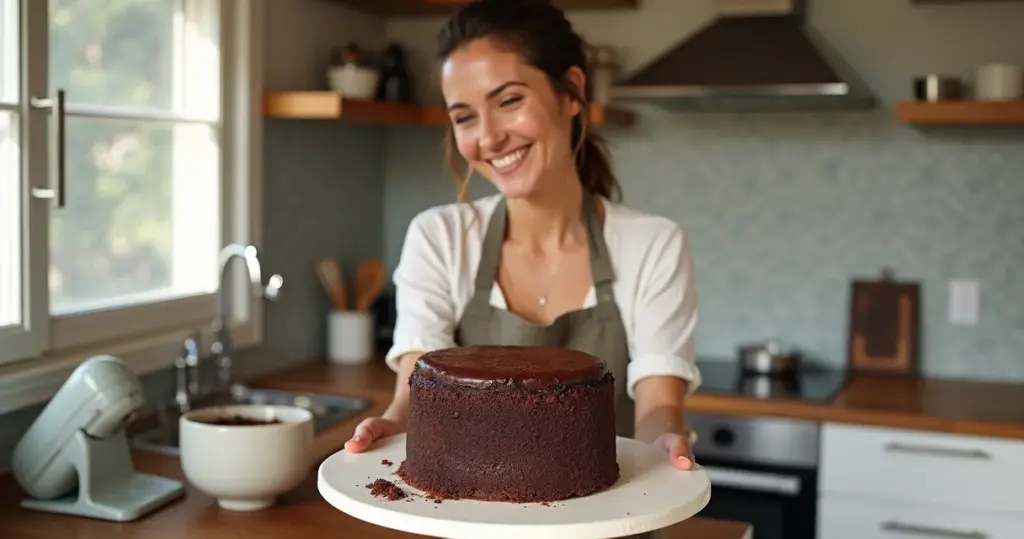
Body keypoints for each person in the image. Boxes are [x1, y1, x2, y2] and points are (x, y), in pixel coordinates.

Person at [344, 0, 701, 470]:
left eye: (509, 101)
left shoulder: (651, 245)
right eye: (464, 116)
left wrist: (661, 448)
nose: (488, 138)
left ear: (572, 92)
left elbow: (658, 403)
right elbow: (417, 384)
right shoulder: (440, 238)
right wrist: (395, 423)